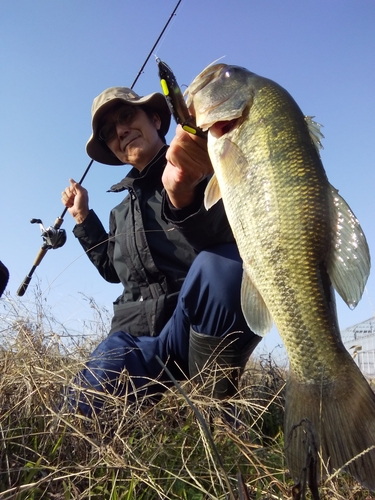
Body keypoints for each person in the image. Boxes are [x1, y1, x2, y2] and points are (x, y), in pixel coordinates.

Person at [62, 86, 261, 416]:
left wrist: (184, 194)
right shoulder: (119, 213)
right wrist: (83, 217)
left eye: (127, 116)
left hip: (189, 330)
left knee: (224, 268)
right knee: (79, 412)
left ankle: (216, 407)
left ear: (156, 119)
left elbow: (233, 238)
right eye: (109, 131)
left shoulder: (205, 165)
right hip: (134, 344)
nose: (121, 131)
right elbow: (112, 270)